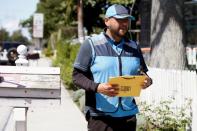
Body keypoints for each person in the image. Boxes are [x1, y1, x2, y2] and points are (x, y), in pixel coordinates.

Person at [72, 4, 152, 131]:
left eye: (126, 20)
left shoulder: (134, 47)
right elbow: (77, 77)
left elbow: (142, 73)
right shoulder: (91, 45)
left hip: (128, 117)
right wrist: (98, 87)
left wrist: (147, 80)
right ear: (107, 21)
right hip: (100, 117)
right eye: (119, 20)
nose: (124, 23)